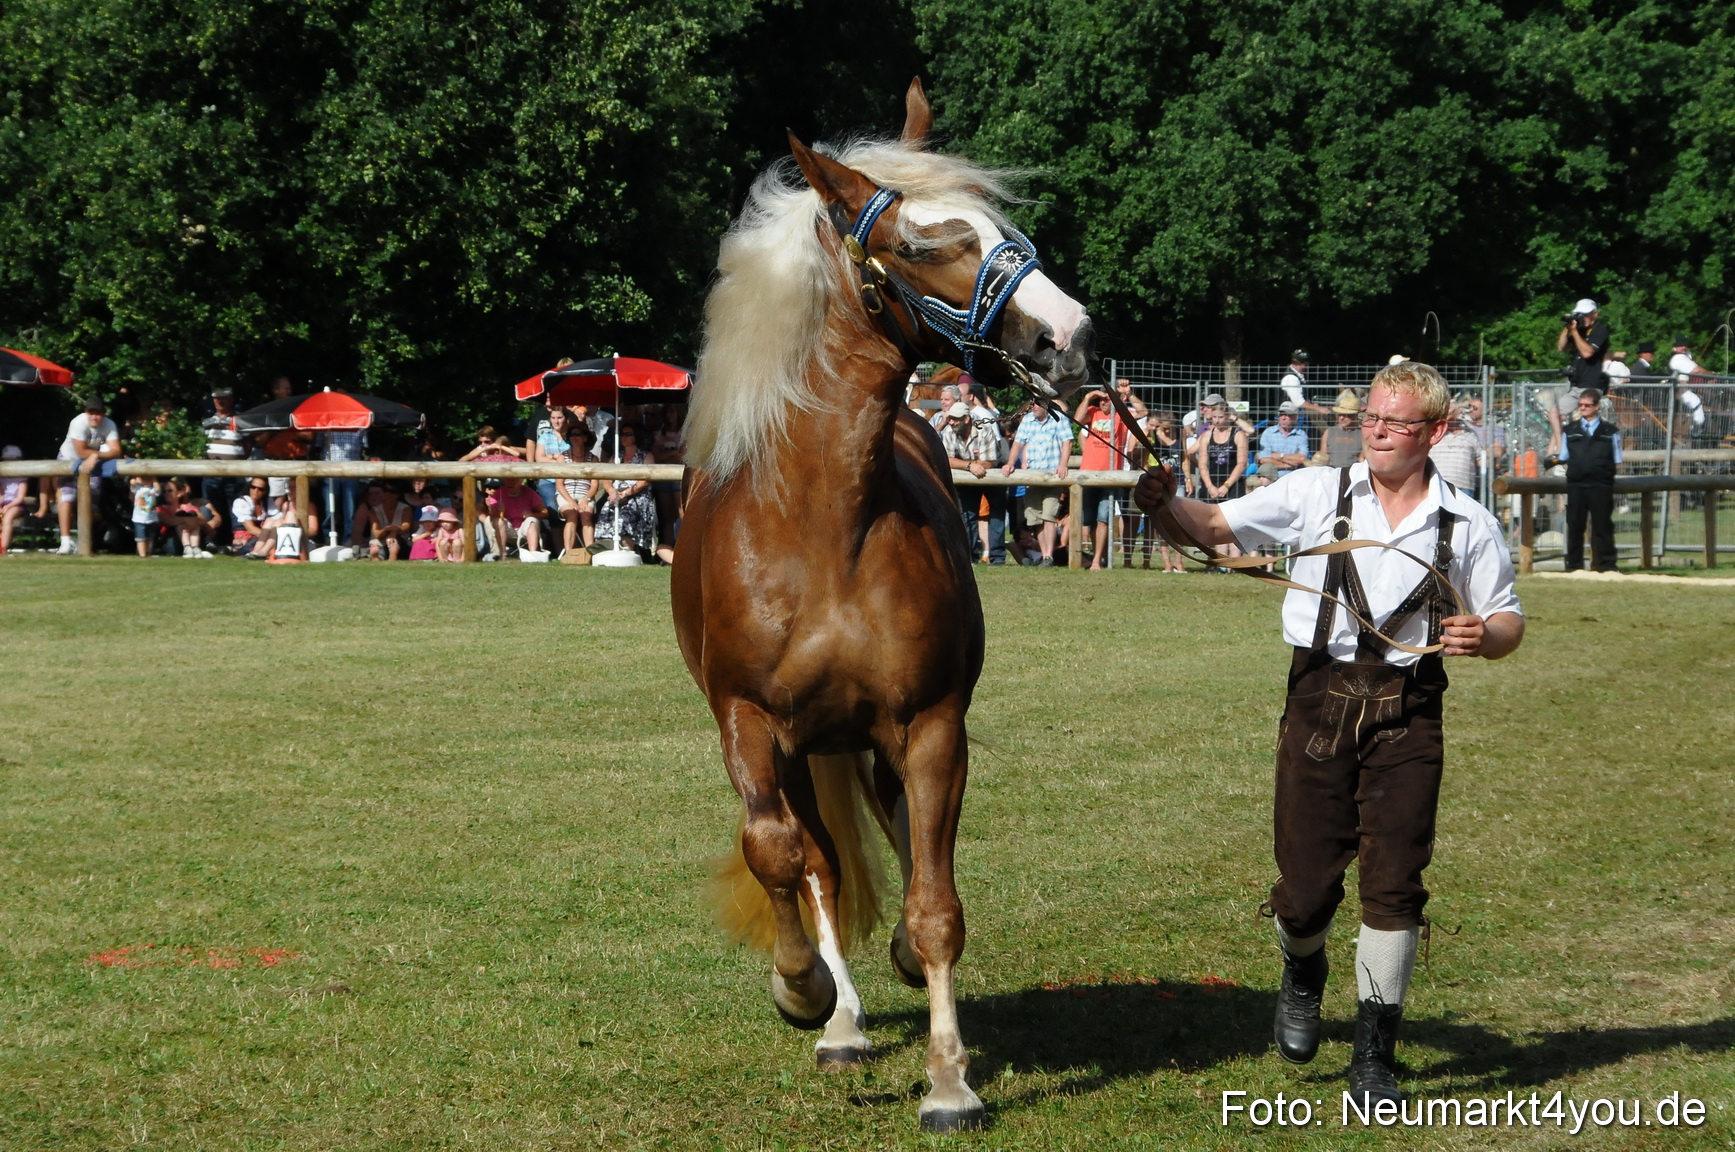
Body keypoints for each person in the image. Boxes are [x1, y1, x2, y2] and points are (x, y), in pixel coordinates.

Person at [1133, 359, 1524, 1106]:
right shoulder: (1316, 490)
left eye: (1394, 422)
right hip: (1316, 704)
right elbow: (1212, 527)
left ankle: (1374, 1055)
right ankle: (1302, 967)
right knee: (1305, 889)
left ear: (1434, 432)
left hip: (1409, 712)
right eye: (1371, 417)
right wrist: (1161, 504)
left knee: (1393, 884)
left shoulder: (1465, 521)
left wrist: (1488, 636)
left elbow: (1505, 614)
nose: (1373, 431)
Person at [1073, 384, 1145, 569]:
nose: (1104, 403)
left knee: (1103, 517)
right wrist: (1089, 396)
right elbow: (1077, 419)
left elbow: (1143, 412)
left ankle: (1096, 561)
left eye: (1108, 399)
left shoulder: (1120, 415)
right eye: (1102, 399)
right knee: (1089, 520)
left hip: (1109, 475)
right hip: (1089, 473)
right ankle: (1100, 556)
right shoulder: (1093, 411)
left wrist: (1128, 395)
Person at [1558, 387, 1621, 572]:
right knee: (1575, 526)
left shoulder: (1611, 431)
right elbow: (1564, 456)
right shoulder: (1570, 430)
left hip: (1601, 485)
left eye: (1587, 405)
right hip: (1576, 485)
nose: (1583, 408)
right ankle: (1574, 566)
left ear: (1597, 406)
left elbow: (1617, 459)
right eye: (1581, 405)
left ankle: (1607, 565)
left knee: (1603, 526)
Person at [1002, 401, 1071, 566]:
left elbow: (1067, 442)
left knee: (1049, 515)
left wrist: (1063, 464)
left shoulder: (1059, 418)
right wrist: (1010, 463)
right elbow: (1018, 443)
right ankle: (1044, 555)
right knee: (1035, 518)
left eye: (1037, 404)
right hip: (1033, 477)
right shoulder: (1027, 420)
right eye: (1032, 404)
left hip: (1052, 476)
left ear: (1046, 405)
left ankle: (1048, 556)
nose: (1033, 407)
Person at [940, 402, 1008, 564]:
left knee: (997, 514)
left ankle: (997, 557)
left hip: (992, 477)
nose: (951, 422)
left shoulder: (985, 430)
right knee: (967, 515)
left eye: (955, 419)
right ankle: (969, 555)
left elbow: (989, 462)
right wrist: (970, 465)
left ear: (967, 419)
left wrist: (964, 463)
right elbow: (946, 459)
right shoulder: (949, 431)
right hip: (969, 475)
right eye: (950, 419)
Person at [56, 397, 123, 554]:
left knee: (91, 502)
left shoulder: (109, 425)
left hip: (93, 463)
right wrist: (97, 454)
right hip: (69, 458)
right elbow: (81, 452)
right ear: (86, 412)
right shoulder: (78, 423)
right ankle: (65, 541)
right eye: (91, 412)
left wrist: (95, 456)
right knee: (67, 497)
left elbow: (117, 450)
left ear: (103, 414)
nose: (94, 417)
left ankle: (84, 541)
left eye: (98, 413)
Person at [599, 423, 669, 561]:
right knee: (605, 509)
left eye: (628, 434)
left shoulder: (645, 456)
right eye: (622, 434)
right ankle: (608, 547)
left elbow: (646, 479)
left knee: (627, 512)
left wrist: (626, 493)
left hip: (638, 494)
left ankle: (629, 548)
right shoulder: (616, 458)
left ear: (635, 437)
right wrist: (612, 491)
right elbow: (606, 479)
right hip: (617, 494)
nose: (624, 437)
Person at [485, 476, 546, 559]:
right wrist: (497, 511)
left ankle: (533, 555)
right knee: (498, 521)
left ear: (520, 480)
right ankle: (503, 554)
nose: (511, 482)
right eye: (508, 479)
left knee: (532, 520)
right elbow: (492, 518)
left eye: (514, 479)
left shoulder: (529, 493)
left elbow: (545, 512)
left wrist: (532, 514)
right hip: (507, 528)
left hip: (524, 527)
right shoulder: (498, 494)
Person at [1557, 298, 1609, 394]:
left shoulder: (1600, 330)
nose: (1583, 318)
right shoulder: (1579, 331)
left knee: (1584, 408)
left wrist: (1574, 332)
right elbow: (1561, 347)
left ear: (1595, 314)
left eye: (1586, 315)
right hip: (1577, 383)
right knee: (1555, 409)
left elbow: (1587, 353)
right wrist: (1567, 327)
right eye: (1581, 315)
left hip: (1591, 384)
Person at [351, 481, 413, 560]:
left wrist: (394, 532)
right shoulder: (374, 511)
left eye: (391, 492)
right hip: (380, 543)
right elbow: (377, 533)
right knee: (378, 547)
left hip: (401, 544)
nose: (387, 494)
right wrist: (388, 530)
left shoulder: (405, 509)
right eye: (385, 490)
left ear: (398, 494)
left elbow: (406, 526)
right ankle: (376, 556)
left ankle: (390, 559)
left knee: (393, 543)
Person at [1428, 405, 1482, 495]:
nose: (1446, 415)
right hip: (1438, 484)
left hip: (1464, 486)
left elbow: (1480, 459)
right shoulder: (1434, 433)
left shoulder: (1470, 433)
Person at [1256, 401, 1310, 485]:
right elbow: (1264, 460)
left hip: (1295, 478)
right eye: (1281, 414)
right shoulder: (1268, 433)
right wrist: (1290, 464)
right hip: (1271, 478)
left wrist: (1278, 456)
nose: (1283, 418)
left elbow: (1302, 459)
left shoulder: (1302, 435)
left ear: (1295, 417)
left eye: (1288, 414)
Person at [1668, 337, 1711, 441]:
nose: (1684, 347)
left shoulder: (1681, 356)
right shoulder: (1678, 358)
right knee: (1697, 402)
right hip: (1681, 390)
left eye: (1685, 345)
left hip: (1683, 388)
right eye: (1680, 345)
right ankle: (1696, 431)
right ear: (1675, 347)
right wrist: (1710, 374)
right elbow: (1696, 370)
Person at [1315, 391, 1364, 467]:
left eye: (1346, 415)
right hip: (1331, 473)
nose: (1341, 418)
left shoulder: (1363, 434)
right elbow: (1322, 459)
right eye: (1339, 414)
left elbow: (1362, 460)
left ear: (1355, 415)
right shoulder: (1329, 432)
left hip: (1352, 475)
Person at [1279, 350, 1332, 418]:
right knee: (1325, 416)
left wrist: (1313, 405)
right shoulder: (1291, 378)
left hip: (1300, 411)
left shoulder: (1297, 375)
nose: (1307, 366)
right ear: (1301, 363)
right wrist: (1319, 408)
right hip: (1293, 413)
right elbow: (1299, 403)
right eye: (1306, 364)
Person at [230, 478, 270, 556]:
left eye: (260, 489)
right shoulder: (241, 502)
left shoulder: (264, 504)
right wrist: (270, 537)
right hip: (245, 540)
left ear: (264, 492)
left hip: (259, 537)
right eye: (253, 487)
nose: (256, 491)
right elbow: (251, 529)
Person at [2, 445, 30, 553]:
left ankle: (3, 547)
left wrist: (8, 506)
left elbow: (20, 497)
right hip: (4, 503)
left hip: (16, 504)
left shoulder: (21, 477)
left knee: (7, 518)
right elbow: (1, 494)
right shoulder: (2, 475)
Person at [128, 475, 161, 557]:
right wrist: (135, 479)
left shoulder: (153, 489)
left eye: (148, 478)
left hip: (151, 518)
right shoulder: (138, 488)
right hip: (139, 519)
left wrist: (154, 479)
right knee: (140, 539)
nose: (146, 480)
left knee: (149, 538)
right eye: (143, 478)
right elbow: (132, 483)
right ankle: (142, 555)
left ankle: (147, 553)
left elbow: (158, 489)